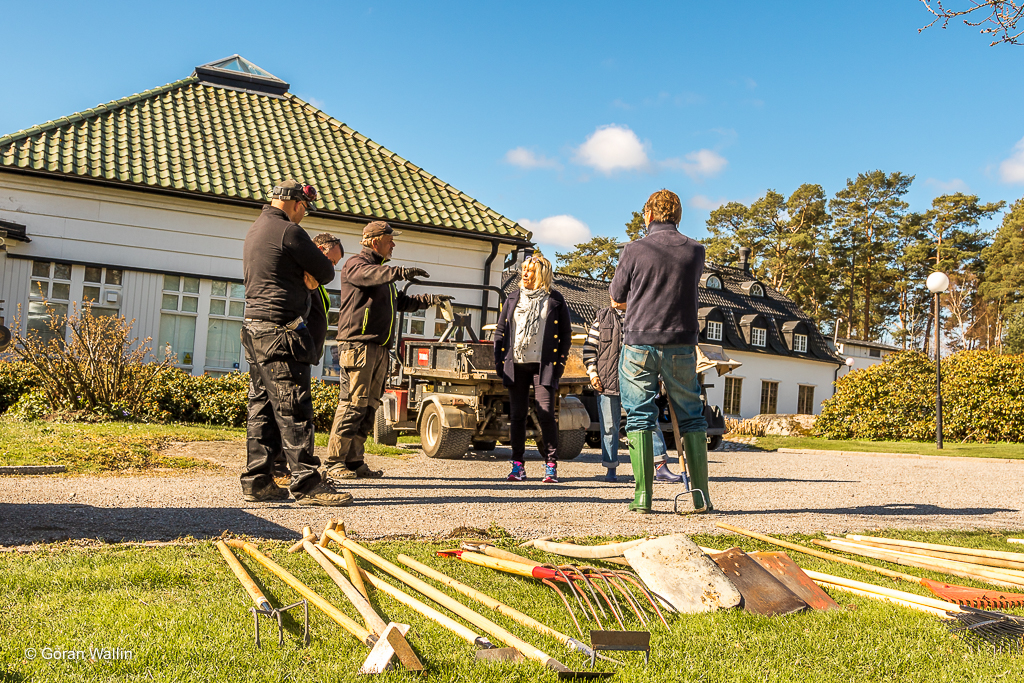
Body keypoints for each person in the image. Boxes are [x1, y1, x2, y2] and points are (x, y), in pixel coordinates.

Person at [240, 180, 353, 506]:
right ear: (294, 203)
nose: (303, 215)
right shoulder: (288, 231)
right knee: (294, 407)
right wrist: (313, 273)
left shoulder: (255, 230)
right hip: (282, 332)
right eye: (304, 208)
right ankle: (307, 484)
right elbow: (325, 270)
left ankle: (257, 481)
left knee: (261, 406)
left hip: (254, 329)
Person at [608, 189, 711, 513]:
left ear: (648, 216)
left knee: (640, 414)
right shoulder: (695, 251)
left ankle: (643, 497)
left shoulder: (634, 250)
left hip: (640, 341)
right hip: (681, 342)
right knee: (692, 416)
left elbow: (616, 296)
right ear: (678, 216)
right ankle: (700, 496)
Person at [324, 221, 452, 479]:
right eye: (390, 239)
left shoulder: (382, 273)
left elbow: (400, 301)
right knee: (352, 404)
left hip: (379, 348)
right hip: (358, 345)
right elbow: (370, 276)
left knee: (369, 406)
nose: (393, 244)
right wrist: (400, 272)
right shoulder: (356, 265)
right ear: (374, 242)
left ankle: (354, 460)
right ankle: (335, 462)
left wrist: (430, 300)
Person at [493, 254, 572, 483]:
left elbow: (565, 335)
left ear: (541, 274)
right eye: (523, 270)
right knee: (517, 416)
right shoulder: (513, 298)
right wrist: (499, 361)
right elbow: (500, 332)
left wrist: (560, 364)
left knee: (545, 414)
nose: (524, 274)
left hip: (543, 365)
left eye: (529, 270)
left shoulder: (555, 300)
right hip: (516, 365)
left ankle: (550, 465)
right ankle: (518, 465)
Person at [272, 232, 344, 486]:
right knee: (288, 410)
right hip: (294, 349)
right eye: (330, 260)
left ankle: (285, 467)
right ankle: (281, 467)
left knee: (292, 409)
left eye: (334, 264)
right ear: (317, 249)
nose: (330, 268)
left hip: (306, 353)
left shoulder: (317, 282)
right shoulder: (301, 275)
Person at [581, 301, 679, 483]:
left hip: (636, 379)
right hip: (606, 381)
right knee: (609, 427)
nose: (616, 298)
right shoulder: (602, 319)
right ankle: (611, 469)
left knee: (649, 420)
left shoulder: (643, 316)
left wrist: (657, 375)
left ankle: (660, 467)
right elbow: (589, 348)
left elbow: (654, 349)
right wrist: (592, 373)